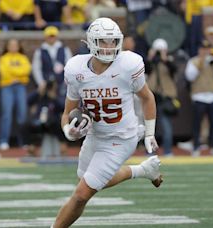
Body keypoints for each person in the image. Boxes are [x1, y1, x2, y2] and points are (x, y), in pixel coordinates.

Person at [52, 17, 163, 228]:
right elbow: (68, 112)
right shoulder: (76, 70)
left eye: (113, 41)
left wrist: (149, 133)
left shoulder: (128, 65)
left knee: (81, 194)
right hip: (96, 134)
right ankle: (142, 171)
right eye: (104, 41)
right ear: (91, 42)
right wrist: (68, 131)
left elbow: (147, 97)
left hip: (121, 138)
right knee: (86, 181)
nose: (109, 46)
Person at [185, 40, 213, 157]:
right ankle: (196, 146)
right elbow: (190, 76)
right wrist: (200, 63)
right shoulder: (193, 61)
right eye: (203, 49)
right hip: (199, 96)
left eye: (207, 49)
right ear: (200, 50)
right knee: (197, 123)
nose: (205, 51)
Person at [147, 39, 178, 157]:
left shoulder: (169, 60)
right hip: (152, 97)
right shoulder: (151, 62)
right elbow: (146, 69)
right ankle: (150, 151)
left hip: (166, 97)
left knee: (166, 125)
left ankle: (168, 150)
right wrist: (151, 57)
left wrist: (164, 59)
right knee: (150, 127)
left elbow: (174, 69)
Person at [0, 39, 31, 150]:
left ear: (18, 46)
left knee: (22, 114)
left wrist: (13, 73)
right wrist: (18, 73)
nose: (13, 47)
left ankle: (23, 142)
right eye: (10, 45)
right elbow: (4, 72)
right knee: (6, 114)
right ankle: (3, 141)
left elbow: (26, 70)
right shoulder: (3, 58)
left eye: (15, 45)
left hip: (20, 86)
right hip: (7, 87)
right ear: (7, 47)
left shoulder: (23, 58)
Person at [32, 26, 72, 107]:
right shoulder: (40, 51)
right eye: (49, 36)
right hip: (46, 83)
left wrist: (67, 80)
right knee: (45, 105)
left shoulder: (64, 49)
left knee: (62, 105)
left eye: (53, 36)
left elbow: (70, 66)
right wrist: (41, 82)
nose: (51, 38)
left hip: (61, 83)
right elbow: (36, 68)